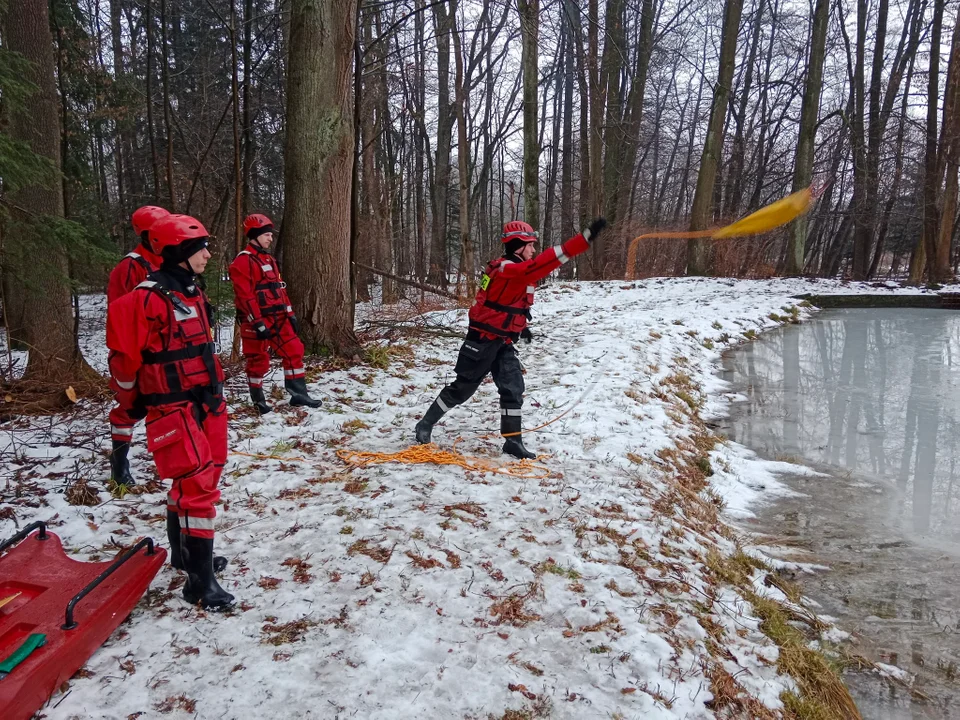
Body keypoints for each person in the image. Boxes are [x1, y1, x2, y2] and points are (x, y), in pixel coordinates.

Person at [107, 214, 234, 610]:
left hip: (207, 401)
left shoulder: (194, 292)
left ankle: (186, 556)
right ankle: (200, 583)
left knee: (206, 475)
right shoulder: (141, 301)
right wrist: (131, 405)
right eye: (202, 249)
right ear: (180, 252)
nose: (209, 255)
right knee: (196, 487)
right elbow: (123, 365)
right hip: (172, 406)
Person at [415, 218, 607, 458]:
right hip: (483, 340)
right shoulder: (508, 269)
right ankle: (425, 424)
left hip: (503, 341)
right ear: (519, 245)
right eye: (531, 245)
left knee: (513, 388)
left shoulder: (512, 270)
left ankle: (512, 442)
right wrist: (581, 241)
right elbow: (538, 267)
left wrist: (520, 326)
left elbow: (508, 302)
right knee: (462, 390)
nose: (534, 250)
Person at [228, 213, 321, 414]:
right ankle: (258, 399)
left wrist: (290, 313)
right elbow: (245, 297)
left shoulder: (269, 258)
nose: (270, 238)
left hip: (279, 318)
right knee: (258, 360)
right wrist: (257, 322)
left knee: (295, 350)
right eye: (267, 235)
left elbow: (280, 289)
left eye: (270, 235)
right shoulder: (243, 262)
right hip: (257, 321)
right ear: (254, 235)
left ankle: (299, 394)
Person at [105, 205, 168, 488]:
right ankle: (119, 464)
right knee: (129, 408)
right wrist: (134, 356)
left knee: (165, 403)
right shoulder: (130, 267)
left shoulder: (165, 261)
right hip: (131, 351)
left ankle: (169, 457)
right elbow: (124, 316)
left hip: (162, 350)